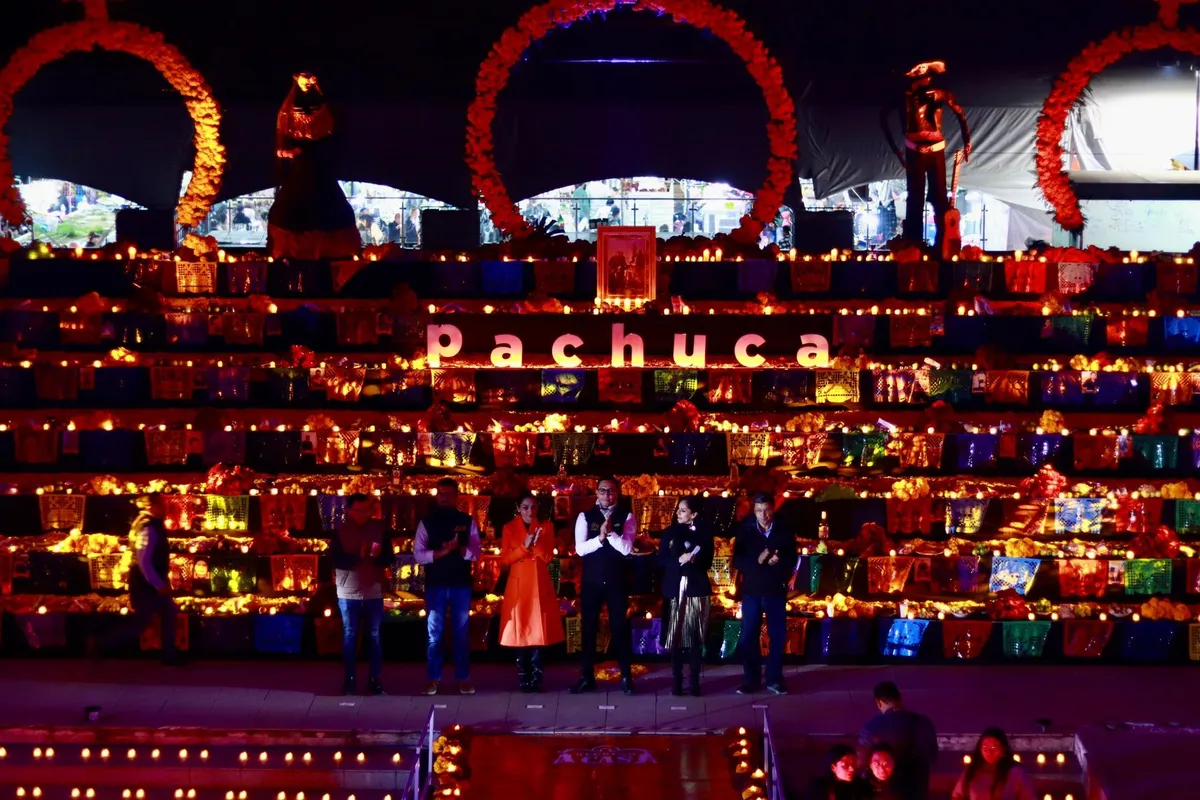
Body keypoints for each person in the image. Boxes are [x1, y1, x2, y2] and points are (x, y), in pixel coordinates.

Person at [880, 60, 971, 253]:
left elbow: (960, 115)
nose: (928, 77)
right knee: (915, 198)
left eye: (929, 74)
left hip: (935, 149)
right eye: (923, 74)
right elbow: (883, 118)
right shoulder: (903, 96)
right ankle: (914, 244)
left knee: (939, 196)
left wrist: (967, 141)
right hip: (914, 150)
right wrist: (897, 151)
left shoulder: (940, 93)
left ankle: (943, 244)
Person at [267, 72, 361, 259]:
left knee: (333, 210)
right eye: (303, 78)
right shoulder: (288, 114)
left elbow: (334, 141)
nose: (307, 83)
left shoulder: (326, 115)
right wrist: (290, 153)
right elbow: (280, 147)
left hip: (321, 176)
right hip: (299, 175)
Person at [91, 493, 184, 666]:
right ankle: (101, 642)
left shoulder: (150, 525)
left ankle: (170, 655)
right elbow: (143, 561)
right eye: (163, 504)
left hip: (151, 583)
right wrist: (158, 584)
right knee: (139, 624)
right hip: (145, 585)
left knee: (169, 613)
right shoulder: (147, 528)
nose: (166, 508)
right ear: (153, 506)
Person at [569, 476, 636, 696]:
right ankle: (586, 677)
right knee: (588, 628)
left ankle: (626, 676)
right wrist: (599, 538)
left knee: (619, 628)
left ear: (617, 493)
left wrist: (611, 534)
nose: (607, 495)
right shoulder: (585, 517)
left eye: (611, 491)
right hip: (592, 581)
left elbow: (627, 549)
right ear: (596, 492)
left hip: (616, 581)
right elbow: (580, 549)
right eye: (603, 490)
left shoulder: (627, 516)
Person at [414, 477, 481, 696]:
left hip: (460, 583)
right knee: (435, 634)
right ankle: (433, 678)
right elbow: (418, 554)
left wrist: (459, 548)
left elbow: (475, 552)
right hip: (436, 584)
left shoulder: (466, 520)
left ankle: (463, 678)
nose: (444, 497)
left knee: (461, 633)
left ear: (456, 496)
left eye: (449, 494)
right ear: (436, 495)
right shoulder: (427, 521)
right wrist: (442, 552)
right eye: (441, 493)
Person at [498, 493, 563, 693]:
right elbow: (505, 559)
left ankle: (536, 677)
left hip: (538, 584)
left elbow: (548, 557)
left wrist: (535, 545)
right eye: (525, 507)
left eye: (533, 507)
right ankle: (523, 676)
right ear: (519, 507)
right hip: (519, 586)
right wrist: (524, 547)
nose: (529, 512)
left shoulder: (546, 527)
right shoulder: (509, 527)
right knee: (520, 631)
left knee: (537, 631)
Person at [330, 493, 393, 696]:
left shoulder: (379, 529)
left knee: (373, 635)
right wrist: (359, 556)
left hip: (373, 590)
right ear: (349, 510)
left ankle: (375, 679)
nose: (363, 514)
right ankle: (349, 679)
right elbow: (336, 560)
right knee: (350, 635)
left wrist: (377, 557)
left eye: (367, 510)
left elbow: (389, 558)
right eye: (359, 510)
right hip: (348, 592)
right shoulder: (340, 531)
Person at [733, 494, 796, 695]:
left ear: (773, 509)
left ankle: (774, 678)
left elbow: (792, 558)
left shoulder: (784, 529)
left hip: (775, 590)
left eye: (767, 510)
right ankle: (751, 679)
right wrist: (758, 561)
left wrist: (780, 561)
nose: (764, 515)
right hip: (752, 591)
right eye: (759, 511)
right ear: (754, 510)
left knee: (777, 636)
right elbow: (737, 561)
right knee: (748, 636)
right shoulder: (746, 529)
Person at [658, 496, 713, 697]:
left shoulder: (705, 533)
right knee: (676, 637)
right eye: (678, 510)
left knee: (694, 638)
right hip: (674, 588)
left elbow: (708, 561)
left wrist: (695, 559)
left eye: (683, 510)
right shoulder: (670, 532)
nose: (678, 513)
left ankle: (695, 681)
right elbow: (662, 558)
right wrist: (678, 560)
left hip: (696, 588)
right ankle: (677, 680)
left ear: (694, 514)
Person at [856, 682, 939, 800]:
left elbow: (861, 762)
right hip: (917, 789)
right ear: (900, 696)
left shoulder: (870, 727)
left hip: (886, 792)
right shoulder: (922, 722)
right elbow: (932, 756)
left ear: (878, 702)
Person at [950, 729, 1036, 800]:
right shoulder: (972, 770)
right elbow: (957, 796)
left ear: (1003, 749)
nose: (989, 752)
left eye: (994, 748)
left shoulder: (1016, 772)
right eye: (985, 747)